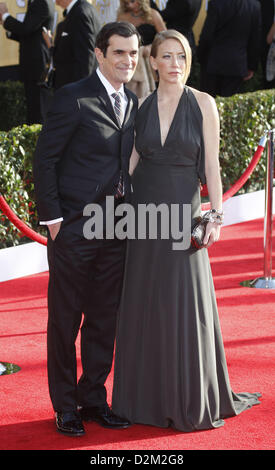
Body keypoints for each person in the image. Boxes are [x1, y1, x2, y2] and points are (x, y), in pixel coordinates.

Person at [111, 29, 261, 432]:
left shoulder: (203, 104)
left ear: (187, 61)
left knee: (182, 305)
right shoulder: (140, 107)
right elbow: (132, 164)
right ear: (154, 61)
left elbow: (211, 167)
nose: (175, 64)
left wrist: (216, 216)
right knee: (145, 304)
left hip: (184, 219)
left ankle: (189, 398)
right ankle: (140, 400)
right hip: (144, 220)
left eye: (181, 56)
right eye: (167, 56)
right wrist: (108, 208)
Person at [33, 21, 140, 437]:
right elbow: (46, 160)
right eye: (119, 53)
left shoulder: (132, 102)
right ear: (99, 54)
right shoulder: (72, 98)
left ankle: (93, 398)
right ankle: (65, 406)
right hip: (74, 229)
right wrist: (55, 221)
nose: (127, 61)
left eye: (132, 53)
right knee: (65, 320)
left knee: (102, 318)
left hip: (115, 228)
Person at [0, 0, 54, 124]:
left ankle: (41, 140)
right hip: (31, 65)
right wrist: (5, 23)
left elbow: (26, 28)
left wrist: (5, 15)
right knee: (33, 109)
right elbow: (28, 35)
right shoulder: (34, 2)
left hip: (38, 65)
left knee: (39, 110)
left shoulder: (42, 3)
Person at [197, 0, 262, 97]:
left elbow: (207, 36)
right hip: (237, 65)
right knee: (231, 107)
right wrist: (251, 66)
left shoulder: (216, 3)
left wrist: (200, 57)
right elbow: (255, 39)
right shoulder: (253, 5)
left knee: (207, 105)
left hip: (213, 64)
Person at [42, 0, 101, 90]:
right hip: (70, 87)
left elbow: (86, 56)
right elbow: (67, 53)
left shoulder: (80, 13)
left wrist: (82, 91)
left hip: (76, 89)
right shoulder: (78, 11)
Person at [117, 0, 166, 97]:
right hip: (129, 64)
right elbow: (117, 40)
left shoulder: (153, 15)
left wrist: (151, 47)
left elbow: (166, 39)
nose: (130, 5)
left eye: (132, 1)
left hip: (152, 64)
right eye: (127, 3)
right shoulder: (122, 17)